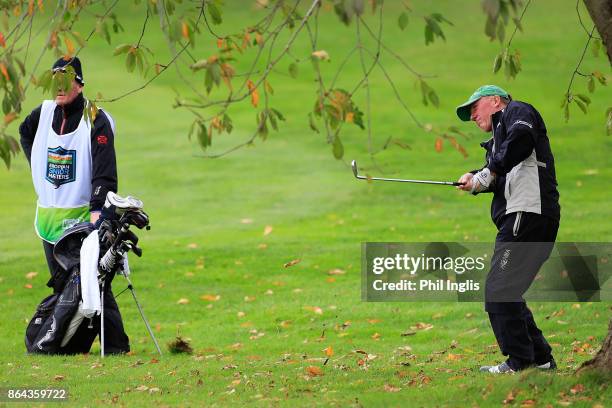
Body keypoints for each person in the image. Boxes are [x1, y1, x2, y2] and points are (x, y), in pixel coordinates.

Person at [19, 56, 130, 354]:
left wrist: (98, 211)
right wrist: (38, 167)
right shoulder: (42, 114)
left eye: (66, 81)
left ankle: (116, 346)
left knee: (95, 283)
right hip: (49, 222)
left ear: (79, 84)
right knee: (63, 287)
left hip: (83, 218)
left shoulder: (95, 117)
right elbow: (25, 133)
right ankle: (67, 343)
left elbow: (105, 169)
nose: (59, 87)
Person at [455, 85, 560, 373]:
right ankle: (540, 360)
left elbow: (521, 141)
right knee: (507, 290)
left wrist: (489, 171)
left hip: (527, 215)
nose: (473, 116)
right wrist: (477, 179)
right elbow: (502, 168)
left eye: (475, 108)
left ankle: (520, 362)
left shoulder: (517, 111)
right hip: (530, 218)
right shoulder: (499, 140)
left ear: (495, 100)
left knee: (499, 289)